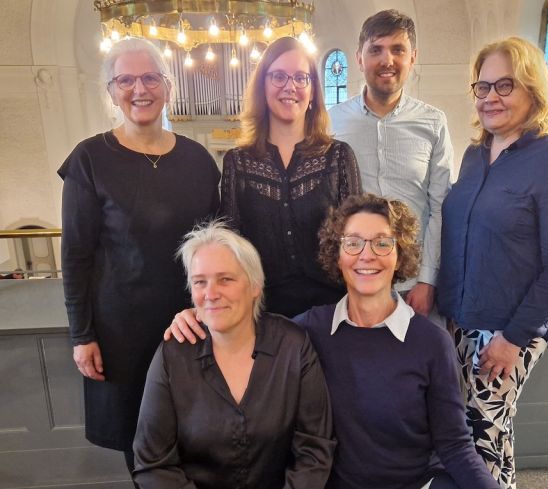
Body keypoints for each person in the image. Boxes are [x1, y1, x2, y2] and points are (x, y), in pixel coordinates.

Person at [167, 194, 499, 489]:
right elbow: (241, 326)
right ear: (337, 255)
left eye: (382, 243)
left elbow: (456, 446)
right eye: (353, 243)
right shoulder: (306, 331)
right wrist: (198, 314)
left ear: (399, 255)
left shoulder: (432, 343)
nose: (367, 255)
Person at [58, 37, 221, 478]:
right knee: (144, 448)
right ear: (111, 92)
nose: (139, 89)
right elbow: (75, 256)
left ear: (168, 86)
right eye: (125, 80)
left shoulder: (198, 159)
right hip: (122, 333)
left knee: (201, 437)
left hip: (193, 325)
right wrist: (82, 335)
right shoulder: (90, 159)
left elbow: (218, 245)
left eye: (150, 77)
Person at [437, 37, 548, 488]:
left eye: (505, 85)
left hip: (509, 327)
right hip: (460, 318)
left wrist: (513, 338)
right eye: (482, 87)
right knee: (485, 430)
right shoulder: (474, 155)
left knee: (479, 433)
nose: (491, 97)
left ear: (533, 90)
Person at [133, 222, 335, 488]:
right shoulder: (173, 355)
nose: (210, 294)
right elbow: (153, 464)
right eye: (200, 282)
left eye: (225, 279)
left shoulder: (293, 346)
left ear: (255, 286)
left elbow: (315, 449)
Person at [222, 36, 361, 317]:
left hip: (332, 312)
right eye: (278, 76)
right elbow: (232, 247)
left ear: (313, 91)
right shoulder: (238, 163)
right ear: (263, 86)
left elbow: (356, 240)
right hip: (264, 314)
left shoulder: (338, 156)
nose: (290, 86)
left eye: (300, 77)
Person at [329, 10, 453, 318]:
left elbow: (440, 207)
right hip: (353, 279)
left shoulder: (433, 122)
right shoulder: (331, 123)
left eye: (398, 49)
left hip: (413, 286)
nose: (387, 60)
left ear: (413, 58)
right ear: (359, 59)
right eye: (376, 50)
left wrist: (427, 280)